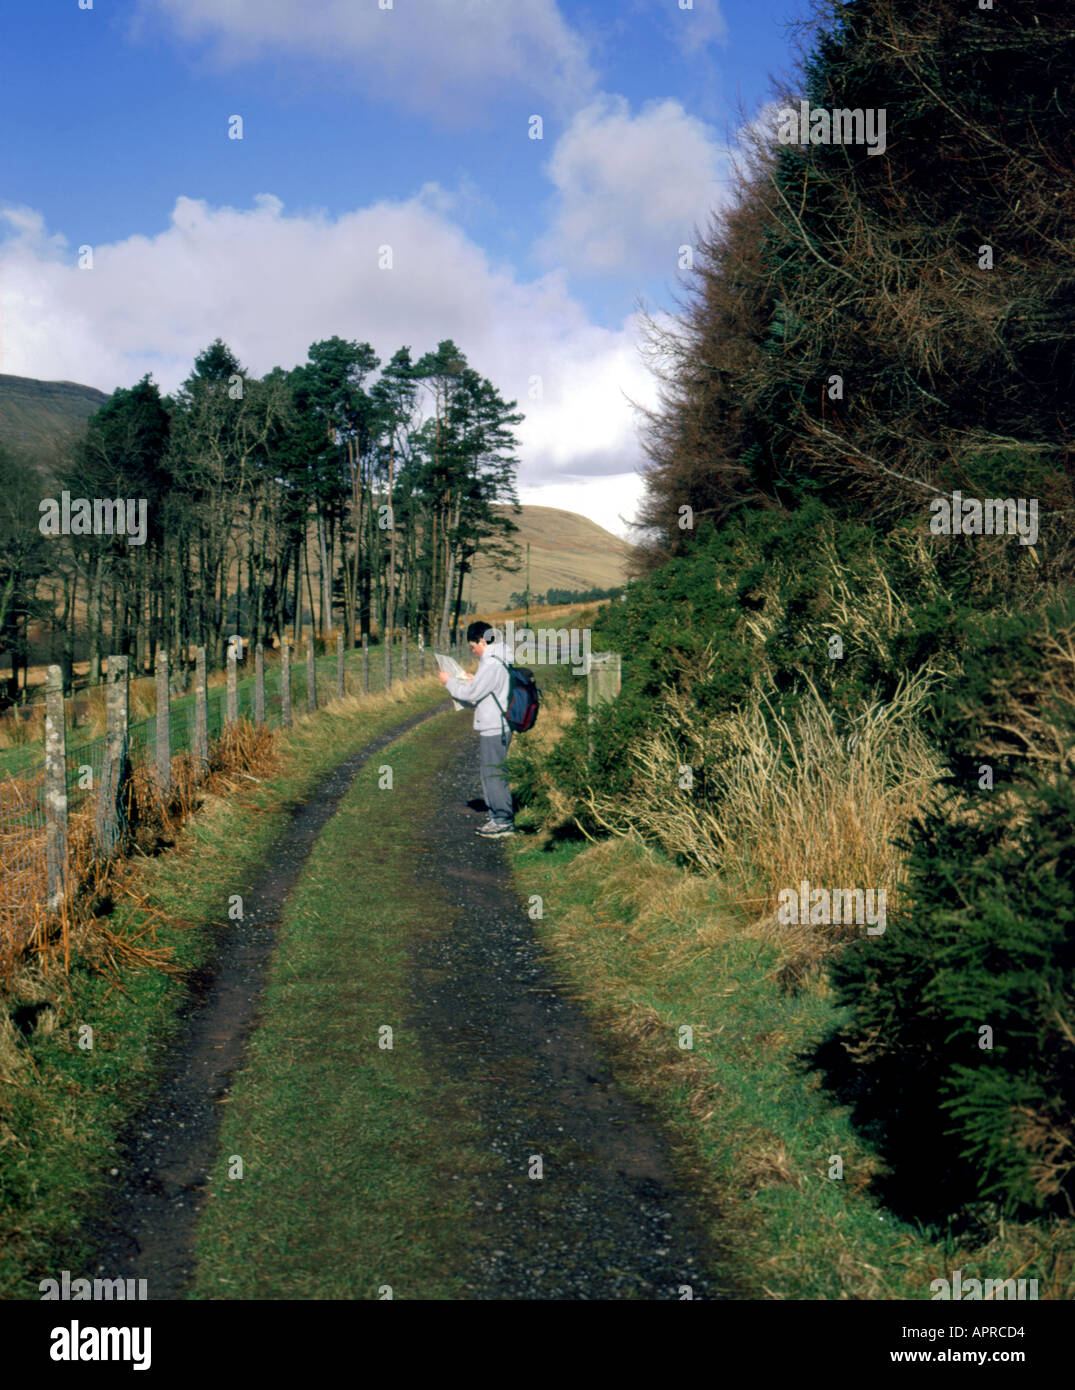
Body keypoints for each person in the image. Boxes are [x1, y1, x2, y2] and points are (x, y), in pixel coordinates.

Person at [438, 620, 515, 837]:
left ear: (482, 640)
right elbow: (488, 688)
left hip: (494, 726)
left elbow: (472, 696)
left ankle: (502, 821)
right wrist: (474, 680)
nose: (474, 652)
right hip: (499, 723)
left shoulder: (491, 663)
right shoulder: (500, 658)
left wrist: (449, 683)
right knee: (491, 772)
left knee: (493, 774)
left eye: (474, 647)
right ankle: (498, 818)